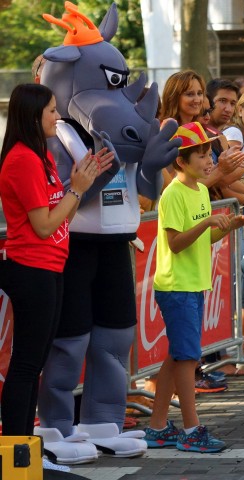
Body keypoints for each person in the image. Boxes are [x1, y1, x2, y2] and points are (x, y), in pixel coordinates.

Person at [0, 84, 111, 458]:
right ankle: (17, 452)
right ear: (33, 116)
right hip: (31, 268)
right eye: (51, 110)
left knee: (35, 362)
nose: (57, 116)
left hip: (50, 266)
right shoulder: (22, 159)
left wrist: (82, 182)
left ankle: (25, 449)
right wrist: (77, 190)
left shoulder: (41, 156)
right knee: (28, 363)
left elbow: (57, 213)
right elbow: (45, 224)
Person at [143, 122, 244, 453]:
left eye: (208, 154)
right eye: (202, 155)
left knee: (177, 356)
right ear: (181, 161)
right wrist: (207, 222)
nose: (209, 161)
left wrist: (226, 226)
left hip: (191, 285)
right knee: (187, 358)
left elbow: (202, 237)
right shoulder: (173, 194)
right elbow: (176, 243)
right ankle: (191, 430)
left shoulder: (202, 191)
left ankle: (157, 426)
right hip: (177, 287)